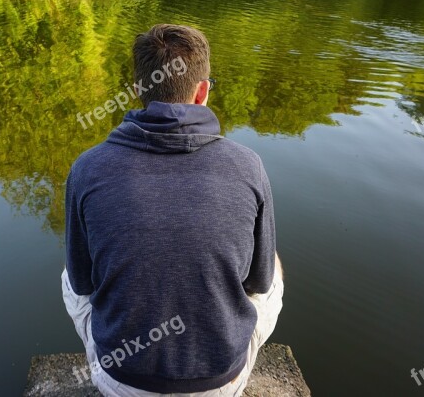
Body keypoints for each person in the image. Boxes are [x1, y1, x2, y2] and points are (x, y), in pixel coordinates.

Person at [63, 24, 283, 396]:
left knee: (69, 273)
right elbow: (259, 283)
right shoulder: (248, 166)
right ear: (202, 92)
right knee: (273, 265)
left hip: (123, 382)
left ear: (137, 92)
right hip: (220, 383)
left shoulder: (87, 168)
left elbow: (83, 284)